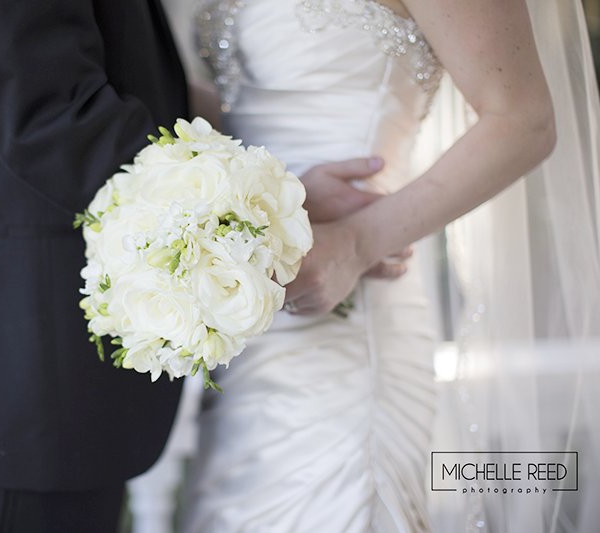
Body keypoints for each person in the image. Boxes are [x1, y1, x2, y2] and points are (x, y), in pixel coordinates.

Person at [0, 0, 405, 529]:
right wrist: (278, 214)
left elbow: (127, 81)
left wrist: (278, 189)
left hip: (56, 374)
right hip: (23, 367)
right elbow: (56, 119)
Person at [181, 0, 556, 531]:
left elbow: (524, 120)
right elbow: (246, 107)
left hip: (354, 307)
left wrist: (356, 243)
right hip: (249, 327)